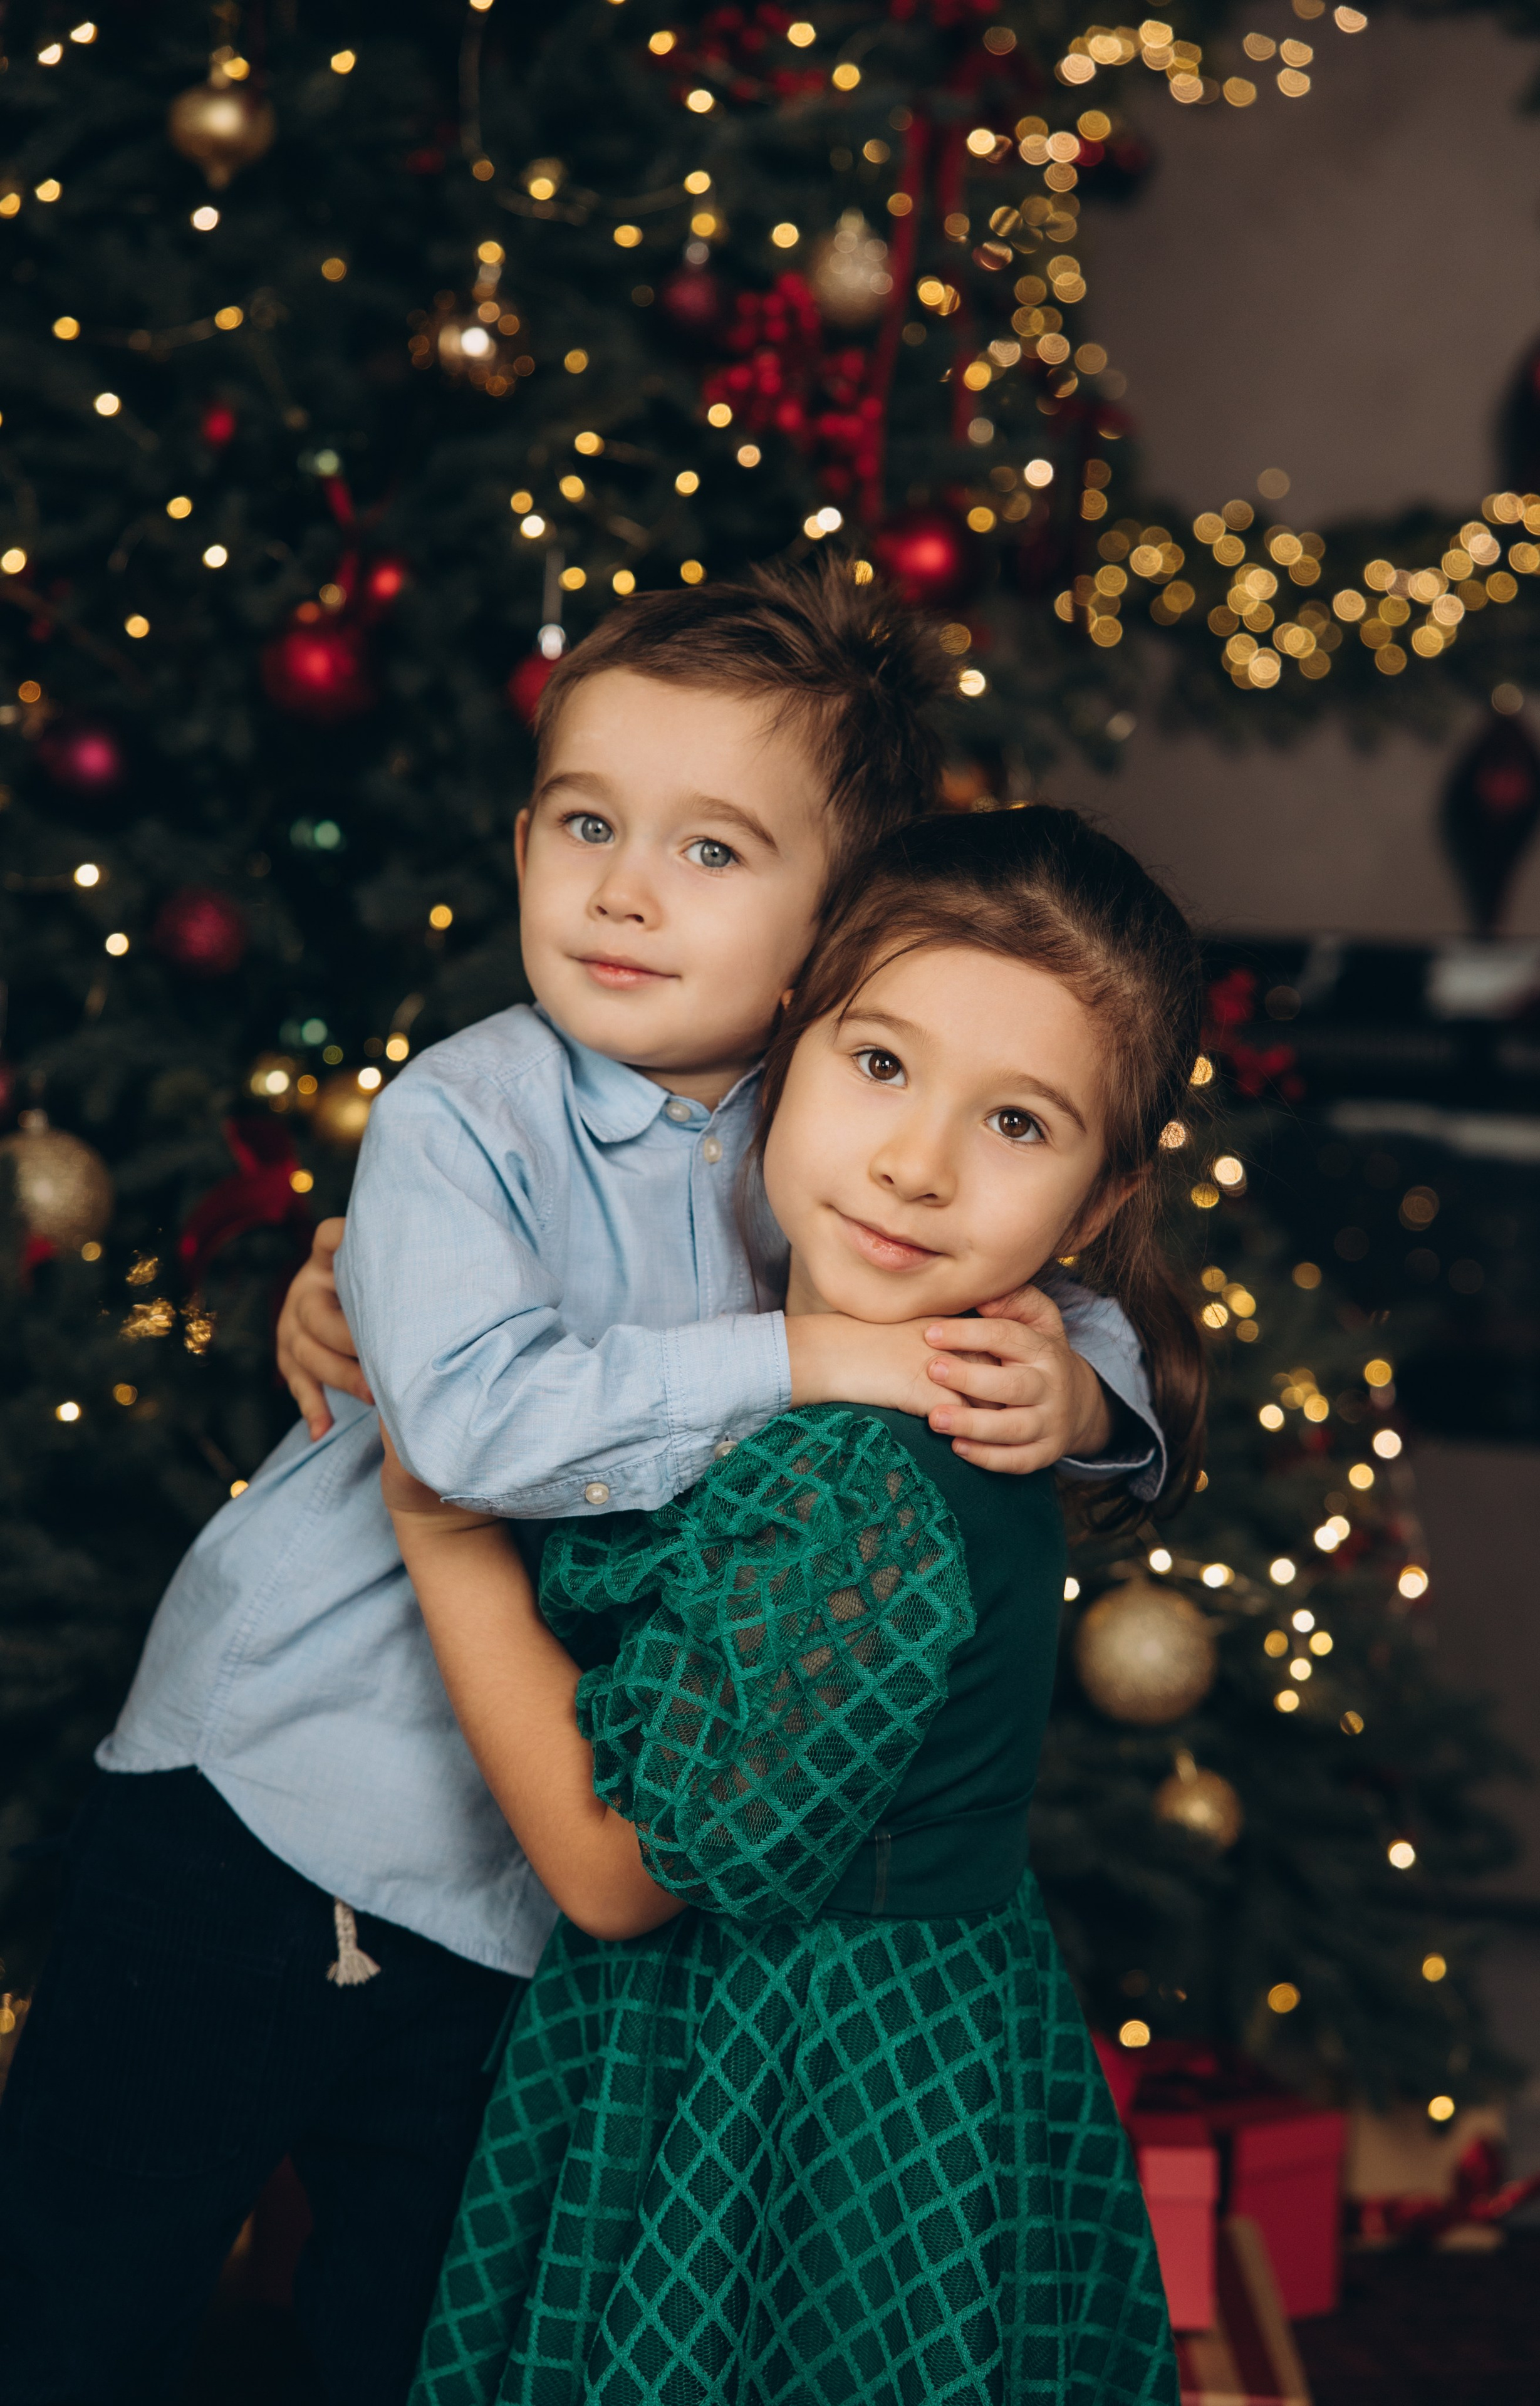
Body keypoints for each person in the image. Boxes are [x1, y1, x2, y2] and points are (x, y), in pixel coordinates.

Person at [0, 564, 1168, 2406]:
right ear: (524, 839)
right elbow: (463, 1436)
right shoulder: (465, 1118)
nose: (627, 890)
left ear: (828, 932)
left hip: (520, 1882)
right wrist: (811, 1359)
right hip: (270, 1800)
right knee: (90, 2273)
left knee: (419, 2319)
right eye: (587, 825)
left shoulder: (847, 1115)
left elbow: (1059, 1286)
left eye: (714, 852)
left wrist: (1079, 1396)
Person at [391, 802, 1200, 2406]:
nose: (915, 1162)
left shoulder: (852, 1484)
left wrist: (434, 1518)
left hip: (800, 2082)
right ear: (785, 1054)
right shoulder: (865, 1360)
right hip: (930, 2036)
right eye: (881, 1066)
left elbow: (618, 1881)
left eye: (1018, 1125)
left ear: (1096, 1204)